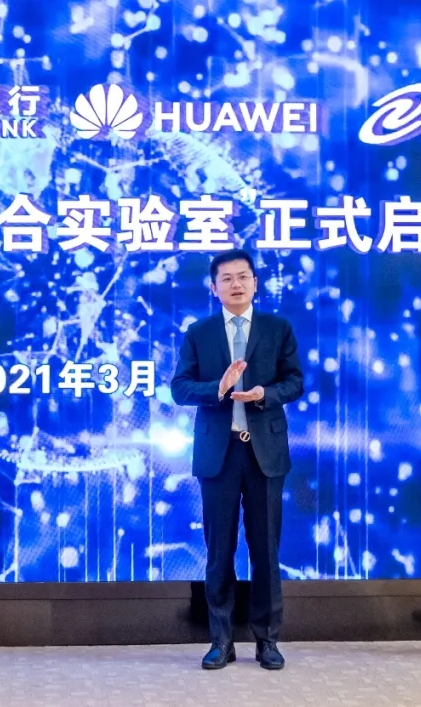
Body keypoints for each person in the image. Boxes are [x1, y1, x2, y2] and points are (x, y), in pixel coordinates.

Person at [170, 249, 303, 671]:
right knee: (219, 551)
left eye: (243, 276)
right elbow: (179, 388)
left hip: (265, 453)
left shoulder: (278, 328)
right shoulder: (200, 332)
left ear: (255, 283)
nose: (236, 284)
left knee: (266, 551)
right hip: (219, 454)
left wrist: (265, 394)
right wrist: (217, 388)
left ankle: (268, 640)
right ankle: (221, 640)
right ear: (214, 288)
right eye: (226, 278)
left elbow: (295, 381)